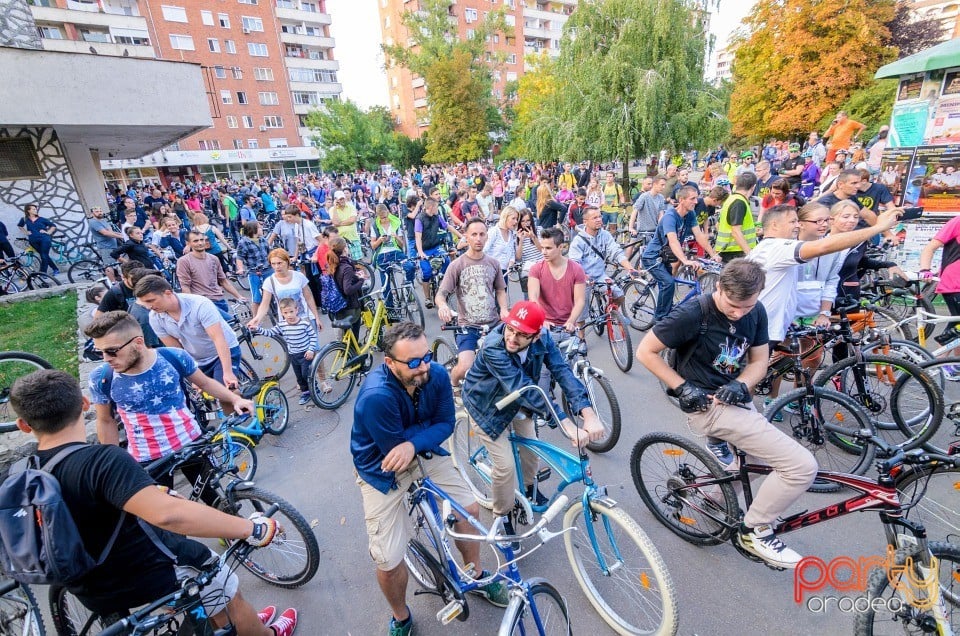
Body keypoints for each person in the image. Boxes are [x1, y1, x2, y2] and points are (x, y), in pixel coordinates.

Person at [9, 369, 297, 636]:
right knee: (224, 587)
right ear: (85, 404)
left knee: (201, 597)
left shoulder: (16, 474)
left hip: (84, 586)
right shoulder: (102, 461)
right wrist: (250, 528)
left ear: (23, 425)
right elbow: (170, 516)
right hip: (145, 574)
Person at [636, 259, 816, 569]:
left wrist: (742, 383)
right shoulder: (694, 312)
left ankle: (711, 496)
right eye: (733, 306)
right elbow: (645, 351)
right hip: (707, 405)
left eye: (746, 306)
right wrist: (682, 388)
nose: (739, 313)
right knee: (801, 467)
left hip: (736, 399)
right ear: (718, 287)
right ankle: (756, 531)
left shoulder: (755, 311)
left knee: (757, 461)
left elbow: (760, 361)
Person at [351, 323, 508, 636]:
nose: (422, 365)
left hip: (419, 451)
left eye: (426, 356)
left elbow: (447, 424)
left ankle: (473, 574)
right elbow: (395, 449)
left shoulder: (435, 374)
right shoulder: (376, 397)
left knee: (470, 510)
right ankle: (401, 616)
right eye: (412, 362)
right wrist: (420, 435)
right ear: (389, 363)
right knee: (389, 558)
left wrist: (413, 441)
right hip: (382, 469)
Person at [462, 301, 603, 541]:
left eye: (522, 335)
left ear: (537, 336)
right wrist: (565, 424)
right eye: (510, 330)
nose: (512, 338)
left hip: (518, 403)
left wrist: (588, 414)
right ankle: (503, 514)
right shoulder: (493, 347)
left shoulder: (544, 339)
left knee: (532, 452)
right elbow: (525, 388)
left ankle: (529, 489)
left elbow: (562, 372)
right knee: (505, 467)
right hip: (486, 405)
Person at [85, 311, 252, 494]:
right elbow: (105, 420)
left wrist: (236, 399)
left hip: (191, 443)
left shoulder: (174, 357)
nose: (106, 358)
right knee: (166, 519)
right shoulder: (101, 378)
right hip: (148, 458)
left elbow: (204, 383)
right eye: (99, 352)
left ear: (138, 343)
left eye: (111, 351)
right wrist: (113, 464)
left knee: (218, 501)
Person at [747, 203, 904, 352]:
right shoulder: (776, 247)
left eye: (826, 220)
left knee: (768, 370)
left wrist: (824, 312)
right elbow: (824, 247)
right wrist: (878, 228)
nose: (796, 225)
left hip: (778, 324)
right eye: (793, 221)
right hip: (766, 326)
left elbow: (828, 266)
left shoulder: (779, 246)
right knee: (755, 374)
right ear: (774, 225)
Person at [436, 217, 509, 387]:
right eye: (474, 234)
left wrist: (504, 309)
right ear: (466, 237)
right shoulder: (456, 265)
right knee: (465, 366)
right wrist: (443, 306)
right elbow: (441, 294)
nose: (478, 238)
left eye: (482, 234)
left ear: (487, 237)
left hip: (493, 324)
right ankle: (453, 385)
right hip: (467, 326)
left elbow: (500, 290)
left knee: (508, 360)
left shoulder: (494, 263)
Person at [134, 276, 243, 389]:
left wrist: (228, 373)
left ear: (168, 293)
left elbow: (218, 339)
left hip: (220, 351)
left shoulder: (199, 304)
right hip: (196, 357)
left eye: (151, 300)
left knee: (225, 391)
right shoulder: (154, 317)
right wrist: (193, 375)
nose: (148, 306)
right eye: (145, 303)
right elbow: (178, 350)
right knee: (202, 392)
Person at [640, 186, 722, 321]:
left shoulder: (690, 215)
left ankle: (665, 308)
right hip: (653, 257)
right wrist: (685, 260)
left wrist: (713, 254)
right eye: (692, 199)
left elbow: (699, 236)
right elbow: (672, 241)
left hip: (666, 256)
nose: (696, 202)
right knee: (668, 283)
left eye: (696, 198)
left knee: (668, 284)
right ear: (681, 200)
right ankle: (660, 320)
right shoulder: (670, 217)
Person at [568, 207, 639, 325]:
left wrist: (630, 269)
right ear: (585, 221)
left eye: (600, 216)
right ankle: (581, 339)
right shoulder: (578, 241)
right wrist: (585, 277)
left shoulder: (605, 235)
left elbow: (616, 252)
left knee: (619, 294)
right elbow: (575, 264)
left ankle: (611, 313)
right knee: (581, 309)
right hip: (582, 278)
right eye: (594, 217)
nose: (599, 220)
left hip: (600, 275)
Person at [253, 298, 319, 406]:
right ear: (282, 313)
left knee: (306, 374)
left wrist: (311, 350)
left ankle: (314, 389)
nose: (289, 315)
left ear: (296, 310)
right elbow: (271, 333)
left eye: (291, 312)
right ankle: (306, 393)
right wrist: (258, 329)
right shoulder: (282, 325)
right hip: (293, 354)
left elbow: (313, 336)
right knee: (299, 376)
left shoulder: (304, 324)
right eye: (285, 313)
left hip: (305, 354)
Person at [528, 226, 586, 334]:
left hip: (567, 327)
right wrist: (542, 320)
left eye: (548, 248)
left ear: (561, 247)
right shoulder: (536, 269)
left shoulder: (576, 269)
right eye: (542, 247)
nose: (543, 252)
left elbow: (580, 301)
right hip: (544, 326)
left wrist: (571, 321)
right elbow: (533, 297)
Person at [247, 248, 323, 331]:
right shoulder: (270, 282)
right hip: (287, 323)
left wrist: (316, 317)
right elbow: (264, 304)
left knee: (313, 344)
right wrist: (257, 318)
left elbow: (309, 298)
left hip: (306, 318)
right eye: (273, 264)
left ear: (287, 262)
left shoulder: (299, 276)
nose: (277, 267)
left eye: (279, 263)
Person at [176, 230, 246, 317]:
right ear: (188, 243)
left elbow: (223, 281)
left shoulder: (214, 259)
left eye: (202, 240)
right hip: (202, 304)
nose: (200, 243)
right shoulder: (184, 261)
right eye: (196, 241)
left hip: (220, 301)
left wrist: (238, 296)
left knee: (228, 327)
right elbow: (185, 286)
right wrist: (192, 306)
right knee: (230, 322)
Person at [415, 197, 453, 309]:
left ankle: (442, 283)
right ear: (431, 207)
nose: (438, 208)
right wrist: (421, 252)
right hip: (424, 249)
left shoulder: (437, 217)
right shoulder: (419, 219)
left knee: (447, 261)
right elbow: (418, 237)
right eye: (436, 206)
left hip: (436, 247)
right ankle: (427, 298)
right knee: (426, 272)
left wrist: (463, 236)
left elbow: (448, 226)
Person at [715, 172, 759, 262]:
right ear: (753, 187)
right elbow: (736, 231)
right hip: (736, 252)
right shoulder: (739, 202)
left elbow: (718, 225)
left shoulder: (731, 199)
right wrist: (750, 254)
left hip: (728, 250)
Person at [327, 236, 365, 341]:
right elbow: (347, 289)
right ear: (344, 249)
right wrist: (361, 280)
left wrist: (354, 276)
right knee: (353, 340)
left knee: (346, 339)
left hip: (339, 307)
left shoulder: (333, 264)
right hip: (350, 307)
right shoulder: (347, 267)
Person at [235, 221, 272, 317]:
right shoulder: (243, 242)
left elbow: (269, 254)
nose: (262, 229)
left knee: (275, 292)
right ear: (253, 230)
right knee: (256, 298)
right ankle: (255, 319)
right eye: (259, 228)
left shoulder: (263, 240)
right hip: (254, 271)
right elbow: (239, 257)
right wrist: (240, 268)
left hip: (268, 269)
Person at [18, 204, 58, 275]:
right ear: (28, 210)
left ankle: (43, 273)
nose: (35, 210)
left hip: (44, 239)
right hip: (33, 240)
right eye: (33, 209)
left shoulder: (42, 219)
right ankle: (55, 269)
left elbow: (53, 226)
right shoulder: (24, 219)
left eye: (36, 209)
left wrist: (48, 232)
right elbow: (20, 226)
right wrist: (26, 232)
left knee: (43, 255)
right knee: (44, 255)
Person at [484, 206, 518, 284]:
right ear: (505, 217)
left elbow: (512, 253)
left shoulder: (511, 233)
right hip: (492, 272)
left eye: (516, 219)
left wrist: (510, 265)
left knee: (503, 295)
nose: (516, 221)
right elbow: (484, 250)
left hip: (505, 272)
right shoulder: (494, 231)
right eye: (513, 218)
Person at [515, 209, 543, 299]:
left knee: (543, 297)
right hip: (528, 271)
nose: (526, 223)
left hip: (541, 267)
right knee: (529, 298)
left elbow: (542, 250)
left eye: (528, 220)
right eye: (523, 221)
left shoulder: (539, 230)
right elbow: (518, 258)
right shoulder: (516, 235)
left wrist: (533, 237)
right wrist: (521, 241)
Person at [329, 191, 363, 260]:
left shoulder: (351, 207)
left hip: (353, 238)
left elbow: (352, 220)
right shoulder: (332, 209)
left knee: (359, 263)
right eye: (339, 199)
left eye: (342, 199)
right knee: (343, 263)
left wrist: (339, 223)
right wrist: (335, 207)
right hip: (340, 240)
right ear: (336, 200)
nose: (342, 201)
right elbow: (335, 222)